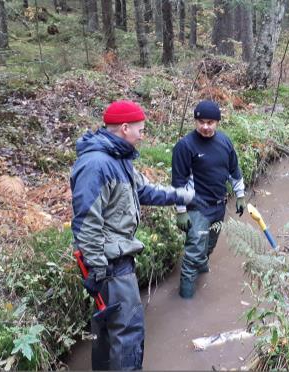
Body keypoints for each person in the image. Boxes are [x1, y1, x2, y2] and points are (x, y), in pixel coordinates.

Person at [70, 100, 194, 370]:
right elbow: (86, 221)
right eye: (141, 128)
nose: (143, 134)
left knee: (107, 328)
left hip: (112, 260)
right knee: (127, 331)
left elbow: (143, 191)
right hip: (110, 264)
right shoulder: (96, 165)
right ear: (125, 128)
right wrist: (97, 268)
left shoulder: (118, 159)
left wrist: (180, 195)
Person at [172, 100, 246, 299]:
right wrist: (181, 211)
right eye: (201, 122)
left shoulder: (225, 142)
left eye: (210, 122)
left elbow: (234, 171)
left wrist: (240, 196)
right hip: (197, 208)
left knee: (209, 246)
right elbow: (178, 181)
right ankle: (186, 300)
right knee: (195, 251)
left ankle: (202, 275)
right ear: (196, 121)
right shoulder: (185, 146)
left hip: (218, 205)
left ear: (217, 123)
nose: (205, 126)